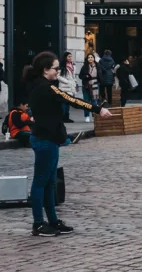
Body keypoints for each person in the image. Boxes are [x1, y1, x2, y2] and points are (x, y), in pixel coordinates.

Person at [23, 51, 111, 237]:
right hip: (45, 140)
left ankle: (52, 221)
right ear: (45, 70)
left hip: (47, 138)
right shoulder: (47, 88)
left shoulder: (39, 85)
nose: (58, 72)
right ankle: (39, 223)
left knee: (49, 182)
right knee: (42, 182)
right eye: (56, 69)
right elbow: (71, 100)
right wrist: (97, 109)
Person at [78, 52, 99, 123]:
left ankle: (95, 116)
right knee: (86, 101)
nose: (90, 59)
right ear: (87, 59)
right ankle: (86, 116)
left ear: (94, 58)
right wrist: (86, 76)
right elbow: (80, 76)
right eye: (89, 57)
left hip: (95, 85)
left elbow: (102, 73)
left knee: (94, 102)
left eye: (91, 57)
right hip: (86, 85)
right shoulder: (84, 66)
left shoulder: (98, 65)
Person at [56, 52, 77, 123]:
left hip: (71, 87)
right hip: (64, 87)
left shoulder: (73, 66)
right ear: (65, 57)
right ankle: (62, 117)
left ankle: (66, 118)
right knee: (64, 103)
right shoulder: (62, 66)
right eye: (69, 56)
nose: (70, 58)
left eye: (71, 56)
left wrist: (74, 82)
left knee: (68, 103)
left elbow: (74, 76)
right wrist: (66, 81)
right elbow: (58, 76)